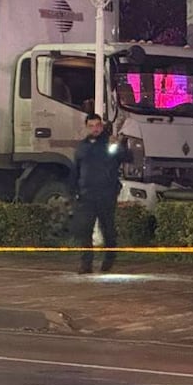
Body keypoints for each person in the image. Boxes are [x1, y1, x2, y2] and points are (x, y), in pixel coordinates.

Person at [70, 113, 132, 274]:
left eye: (97, 125)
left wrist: (118, 145)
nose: (95, 129)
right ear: (86, 127)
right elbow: (76, 170)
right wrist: (74, 191)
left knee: (108, 229)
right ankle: (86, 264)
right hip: (86, 195)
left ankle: (109, 259)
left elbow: (126, 157)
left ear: (101, 126)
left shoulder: (109, 144)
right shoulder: (82, 146)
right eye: (91, 126)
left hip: (106, 194)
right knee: (85, 229)